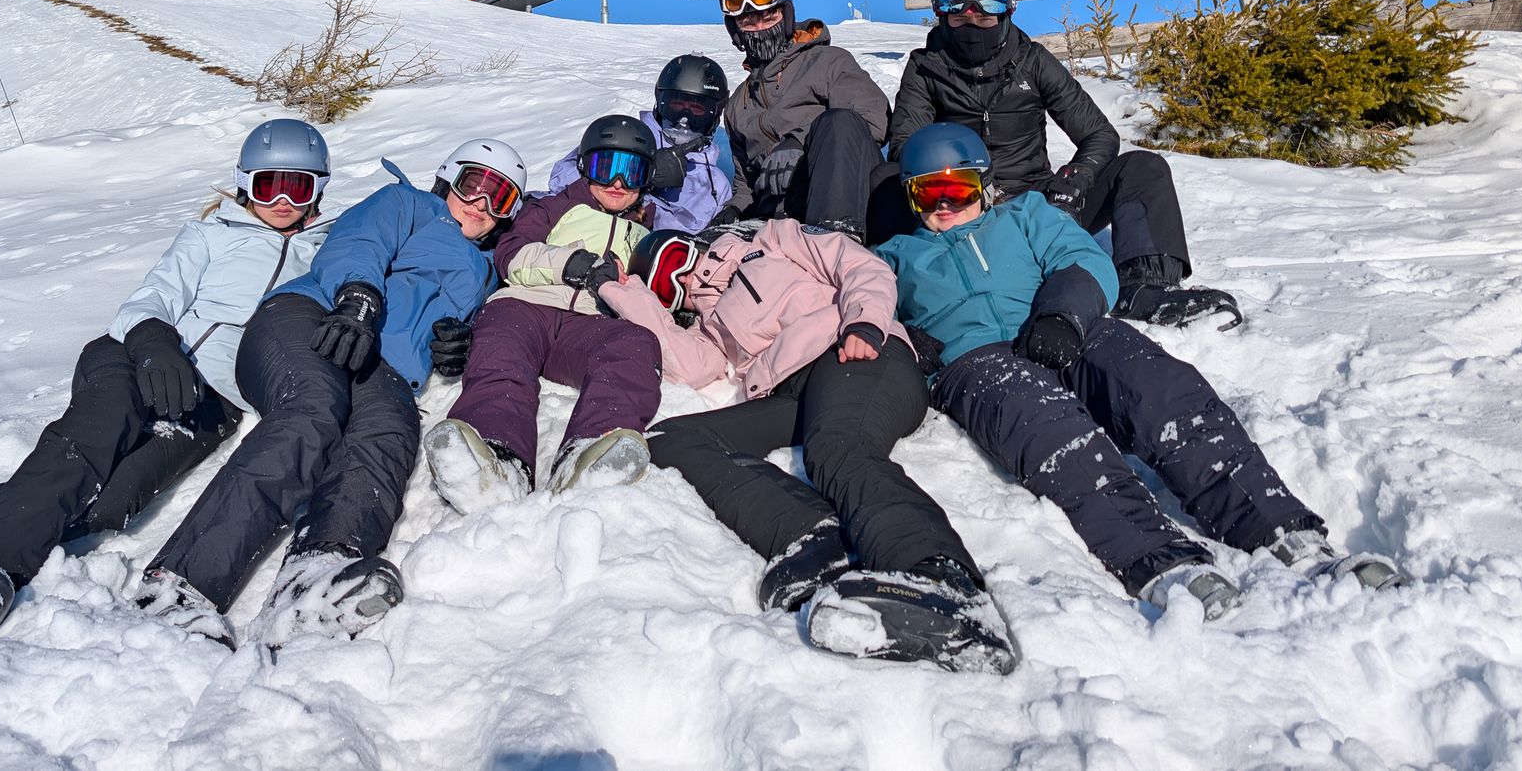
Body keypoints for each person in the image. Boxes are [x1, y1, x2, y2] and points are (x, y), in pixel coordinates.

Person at [878, 123, 1407, 621]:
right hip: (977, 363)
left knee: (1161, 390)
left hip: (1062, 326)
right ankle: (1158, 558)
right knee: (1051, 431)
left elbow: (1081, 258)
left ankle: (1283, 531)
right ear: (911, 198)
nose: (945, 204)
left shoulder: (1026, 215)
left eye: (958, 189)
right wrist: (908, 343)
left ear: (984, 185)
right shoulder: (894, 258)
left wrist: (1064, 315)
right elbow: (862, 313)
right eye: (929, 193)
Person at [0, 119, 334, 633]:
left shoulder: (328, 254)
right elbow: (154, 294)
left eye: (299, 187)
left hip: (209, 401)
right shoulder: (210, 236)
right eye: (269, 185)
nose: (283, 201)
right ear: (245, 183)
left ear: (319, 190)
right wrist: (153, 342)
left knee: (117, 500)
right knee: (89, 443)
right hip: (136, 355)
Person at [131, 137, 527, 650]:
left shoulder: (488, 270)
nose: (482, 203)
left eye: (501, 197)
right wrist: (357, 295)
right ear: (448, 178)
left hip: (384, 368)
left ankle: (315, 574)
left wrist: (458, 344)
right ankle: (180, 587)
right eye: (474, 184)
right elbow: (359, 242)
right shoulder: (406, 204)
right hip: (315, 318)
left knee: (389, 433)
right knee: (312, 410)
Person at [602, 220, 1017, 673]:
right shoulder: (711, 328)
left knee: (839, 445)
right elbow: (685, 362)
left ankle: (941, 577)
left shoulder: (772, 241)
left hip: (856, 354)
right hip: (794, 394)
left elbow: (860, 266)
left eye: (676, 260)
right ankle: (814, 539)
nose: (684, 279)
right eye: (667, 285)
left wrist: (865, 322)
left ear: (694, 245)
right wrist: (625, 292)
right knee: (672, 440)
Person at [884, 0, 1240, 325]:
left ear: (1007, 13)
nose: (972, 25)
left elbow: (1099, 134)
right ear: (941, 16)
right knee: (886, 183)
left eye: (985, 16)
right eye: (959, 17)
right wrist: (959, 187)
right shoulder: (926, 69)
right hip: (963, 206)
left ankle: (1146, 285)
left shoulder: (1032, 61)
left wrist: (1076, 179)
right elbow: (906, 148)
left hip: (1040, 205)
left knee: (1143, 167)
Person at [424, 116, 665, 511]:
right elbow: (511, 253)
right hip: (526, 306)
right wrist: (573, 263)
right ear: (585, 166)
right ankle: (497, 453)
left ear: (648, 178)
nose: (618, 182)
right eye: (606, 167)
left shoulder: (647, 234)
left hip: (588, 324)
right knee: (502, 354)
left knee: (635, 344)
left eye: (632, 171)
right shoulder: (554, 207)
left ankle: (593, 452)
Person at [717, 0, 892, 243]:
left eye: (768, 17)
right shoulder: (738, 105)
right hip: (782, 218)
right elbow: (745, 185)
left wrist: (800, 144)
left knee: (840, 121)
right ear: (735, 31)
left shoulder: (827, 62)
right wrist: (734, 210)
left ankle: (837, 239)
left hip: (850, 198)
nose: (759, 28)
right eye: (748, 22)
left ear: (786, 15)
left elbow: (873, 119)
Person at [544, 54, 733, 232]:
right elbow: (560, 180)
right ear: (660, 102)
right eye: (676, 106)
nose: (684, 120)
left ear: (715, 113)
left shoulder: (717, 185)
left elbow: (705, 239)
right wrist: (642, 174)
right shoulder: (626, 137)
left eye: (697, 110)